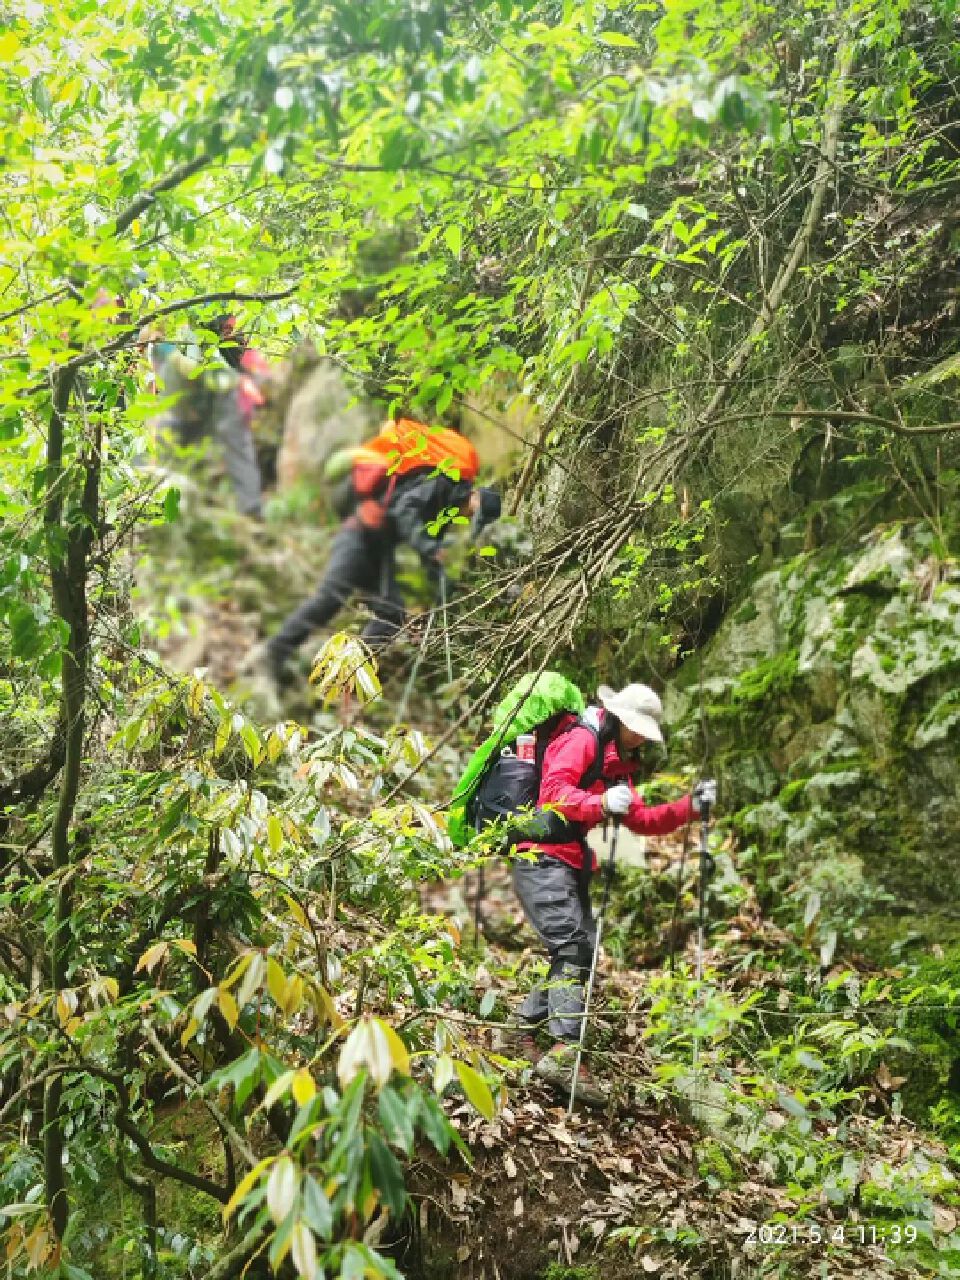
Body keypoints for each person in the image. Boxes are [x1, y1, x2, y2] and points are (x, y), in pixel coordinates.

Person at [510, 681, 716, 1105]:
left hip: (570, 861)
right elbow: (553, 793)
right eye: (636, 729)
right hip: (539, 855)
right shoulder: (582, 740)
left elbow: (642, 820)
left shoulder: (616, 762)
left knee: (580, 951)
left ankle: (521, 1030)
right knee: (571, 948)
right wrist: (601, 804)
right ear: (619, 718)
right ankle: (565, 1054)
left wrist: (691, 807)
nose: (640, 738)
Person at [263, 423, 501, 688]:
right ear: (475, 497)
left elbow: (429, 545)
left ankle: (345, 679)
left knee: (390, 614)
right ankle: (273, 654)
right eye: (474, 513)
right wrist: (430, 549)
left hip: (378, 544)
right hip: (359, 537)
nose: (469, 517)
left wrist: (441, 580)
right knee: (330, 598)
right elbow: (404, 510)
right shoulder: (445, 482)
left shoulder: (448, 504)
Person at [142, 321, 264, 518]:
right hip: (189, 412)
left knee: (228, 454)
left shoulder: (187, 340)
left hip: (215, 404)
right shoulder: (162, 352)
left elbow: (199, 372)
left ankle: (248, 508)